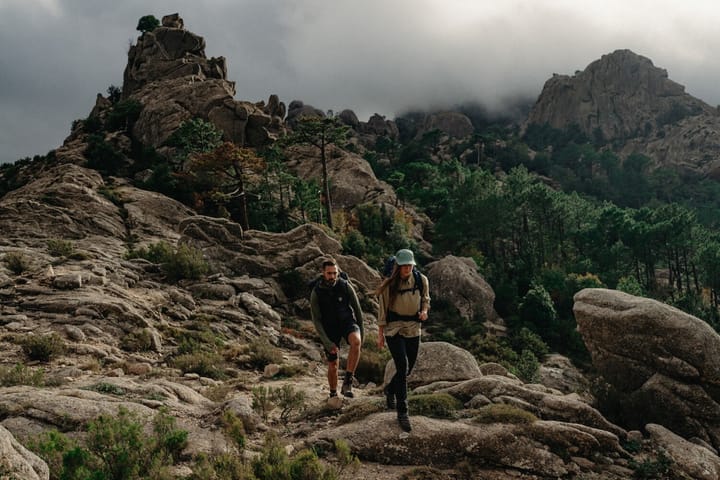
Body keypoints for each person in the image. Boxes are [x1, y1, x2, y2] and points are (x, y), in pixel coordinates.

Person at [375, 248, 430, 432]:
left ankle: (390, 390)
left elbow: (425, 299)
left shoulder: (421, 281)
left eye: (409, 265)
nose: (407, 268)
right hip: (394, 328)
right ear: (398, 266)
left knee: (408, 368)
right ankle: (403, 412)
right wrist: (380, 335)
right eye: (404, 265)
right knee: (402, 366)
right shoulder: (388, 285)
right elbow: (382, 311)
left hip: (413, 327)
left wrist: (424, 312)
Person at [310, 258, 364, 399]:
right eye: (329, 273)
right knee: (333, 363)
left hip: (347, 321)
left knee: (356, 342)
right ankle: (333, 393)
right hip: (329, 327)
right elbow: (316, 319)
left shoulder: (345, 286)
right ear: (323, 273)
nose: (332, 276)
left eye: (335, 273)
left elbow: (358, 311)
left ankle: (348, 382)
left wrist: (362, 334)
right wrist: (327, 342)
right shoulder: (316, 292)